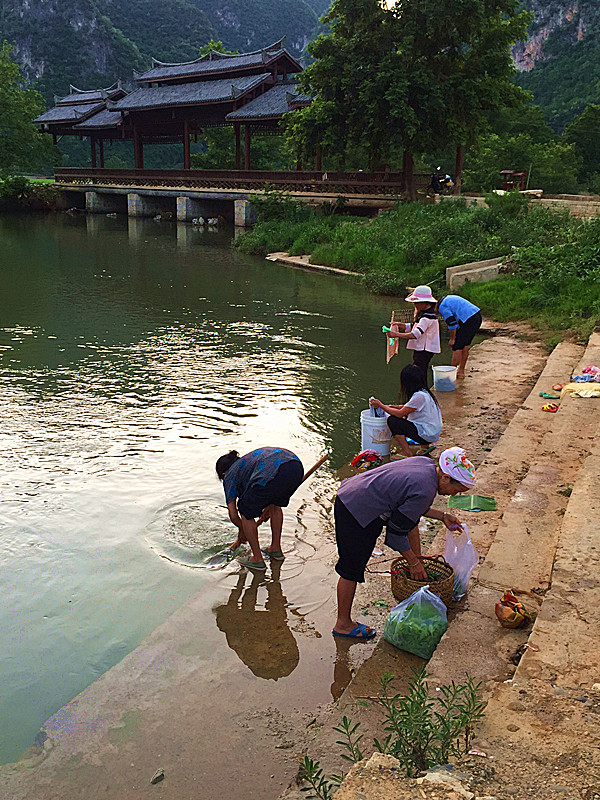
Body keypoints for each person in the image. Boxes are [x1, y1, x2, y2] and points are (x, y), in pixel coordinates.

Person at [332, 447, 475, 640]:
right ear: (446, 478)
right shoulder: (425, 489)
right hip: (355, 508)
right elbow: (395, 534)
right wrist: (413, 562)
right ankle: (343, 625)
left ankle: (344, 622)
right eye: (456, 490)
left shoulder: (426, 466)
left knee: (408, 525)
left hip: (356, 491)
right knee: (351, 568)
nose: (454, 495)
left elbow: (410, 512)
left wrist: (442, 516)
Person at [215, 447, 304, 571]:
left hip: (275, 472)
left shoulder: (230, 474)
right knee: (274, 506)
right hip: (295, 466)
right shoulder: (246, 464)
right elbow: (268, 486)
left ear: (224, 473)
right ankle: (275, 549)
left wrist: (244, 529)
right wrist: (266, 506)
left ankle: (257, 559)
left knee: (245, 509)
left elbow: (234, 515)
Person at [370, 364, 442, 457]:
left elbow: (400, 414)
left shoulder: (419, 396)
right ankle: (425, 446)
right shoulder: (425, 393)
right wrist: (391, 406)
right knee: (402, 418)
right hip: (432, 432)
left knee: (393, 421)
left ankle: (407, 452)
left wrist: (381, 405)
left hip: (427, 434)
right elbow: (407, 407)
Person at [388, 285, 440, 376]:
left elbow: (415, 334)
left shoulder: (427, 317)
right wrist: (400, 324)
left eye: (417, 302)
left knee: (420, 369)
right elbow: (414, 326)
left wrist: (396, 334)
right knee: (420, 369)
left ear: (425, 302)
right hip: (423, 348)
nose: (415, 305)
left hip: (425, 349)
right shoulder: (423, 314)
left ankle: (421, 388)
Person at [435, 295, 482, 378]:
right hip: (475, 316)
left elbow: (452, 324)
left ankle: (451, 373)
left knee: (457, 346)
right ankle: (460, 371)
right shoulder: (446, 299)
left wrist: (452, 339)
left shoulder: (442, 307)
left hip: (469, 319)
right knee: (464, 345)